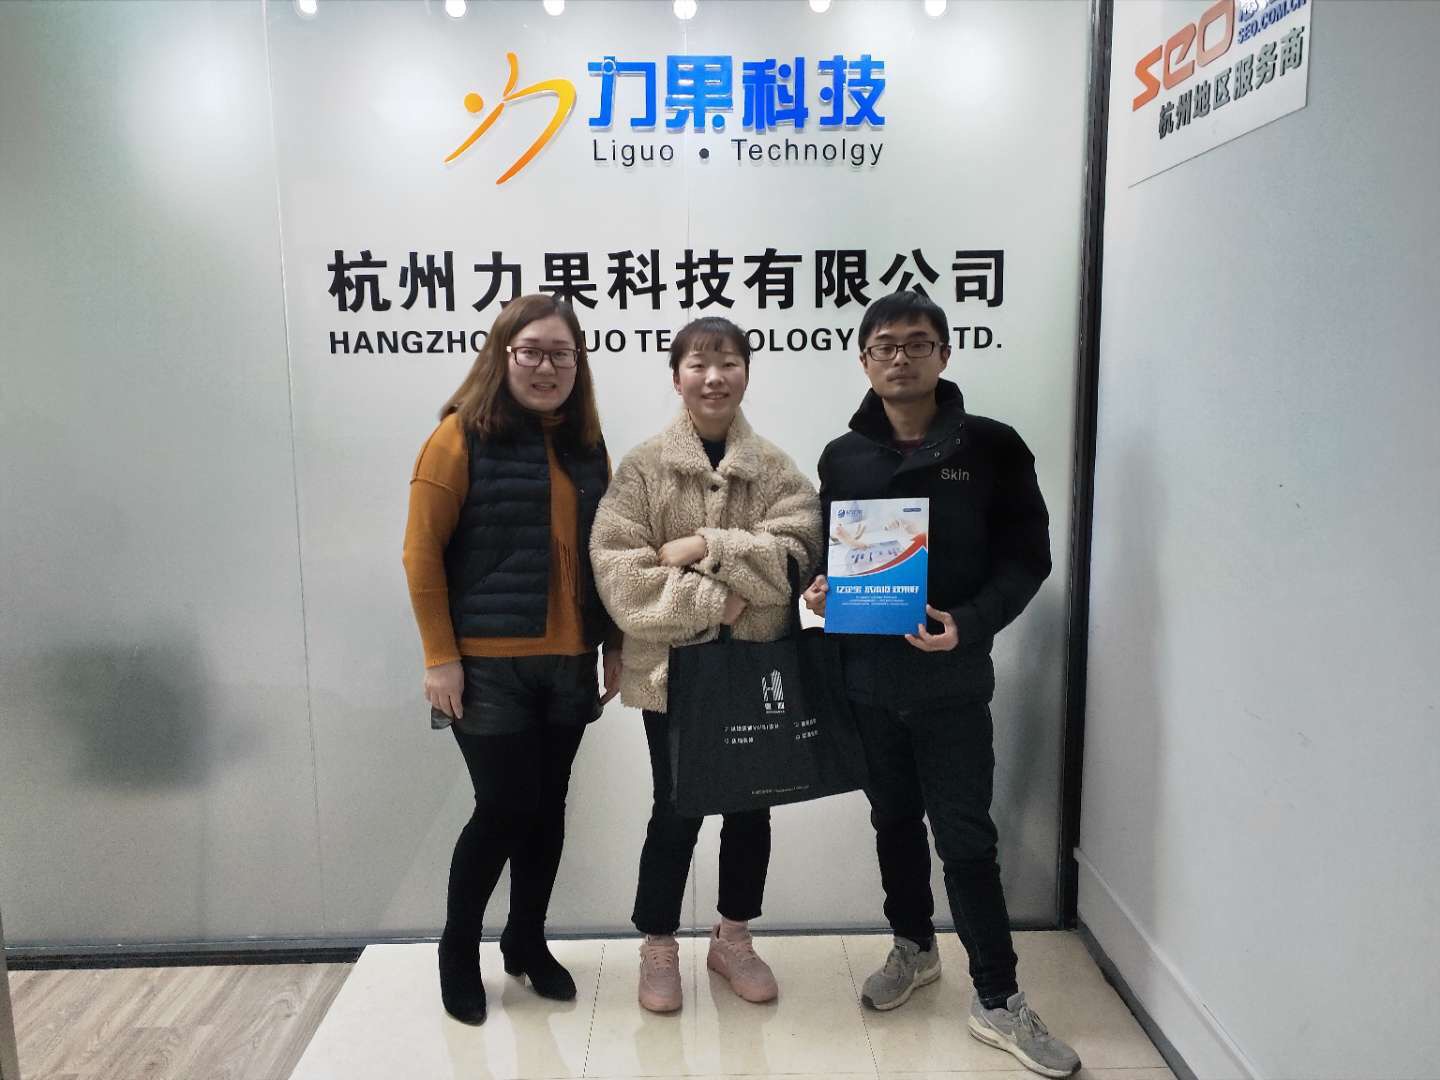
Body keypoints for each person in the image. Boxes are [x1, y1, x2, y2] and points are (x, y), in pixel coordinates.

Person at [803, 291, 1080, 1078]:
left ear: (944, 355)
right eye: (884, 345)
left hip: (951, 679)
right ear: (864, 360)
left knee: (965, 839)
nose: (900, 357)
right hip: (865, 677)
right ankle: (914, 948)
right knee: (892, 821)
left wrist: (971, 621)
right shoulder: (842, 456)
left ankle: (997, 996)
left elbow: (1027, 558)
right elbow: (833, 552)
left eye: (917, 343)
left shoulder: (991, 446)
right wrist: (822, 587)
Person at [589, 316, 822, 1014]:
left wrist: (704, 545)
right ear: (677, 378)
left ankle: (734, 938)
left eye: (728, 363)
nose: (714, 377)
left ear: (746, 373)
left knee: (752, 809)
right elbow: (621, 575)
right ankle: (658, 945)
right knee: (675, 808)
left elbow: (797, 554)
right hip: (674, 677)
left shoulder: (775, 468)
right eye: (698, 364)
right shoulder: (642, 469)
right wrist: (718, 601)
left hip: (756, 671)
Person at [401, 294, 621, 1025]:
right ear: (502, 355)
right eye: (532, 351)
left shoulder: (587, 445)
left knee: (547, 809)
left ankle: (526, 939)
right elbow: (421, 553)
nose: (547, 367)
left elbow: (608, 553)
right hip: (488, 665)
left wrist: (615, 642)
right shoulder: (458, 437)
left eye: (562, 353)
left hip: (568, 661)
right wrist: (440, 657)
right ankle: (457, 949)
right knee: (502, 808)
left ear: (578, 364)